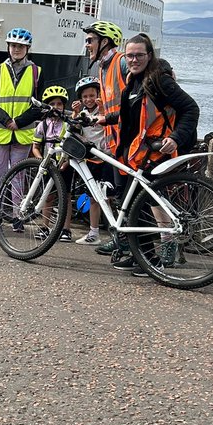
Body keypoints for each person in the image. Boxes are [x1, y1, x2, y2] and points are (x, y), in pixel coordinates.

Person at [101, 33, 200, 275]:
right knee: (134, 206)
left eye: (139, 55)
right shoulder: (132, 81)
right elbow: (129, 116)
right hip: (131, 154)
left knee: (142, 205)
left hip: (152, 153)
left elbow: (190, 108)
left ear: (149, 55)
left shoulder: (159, 82)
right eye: (130, 55)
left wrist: (175, 138)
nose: (134, 60)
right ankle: (141, 256)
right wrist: (105, 118)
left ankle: (152, 258)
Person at [0, 27, 42, 228]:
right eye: (14, 45)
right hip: (0, 130)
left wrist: (20, 121)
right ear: (8, 47)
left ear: (27, 48)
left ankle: (17, 215)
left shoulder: (36, 72)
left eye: (21, 46)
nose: (16, 49)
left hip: (22, 133)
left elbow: (39, 104)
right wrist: (7, 120)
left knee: (19, 175)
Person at [81, 20, 127, 255]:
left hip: (129, 140)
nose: (87, 44)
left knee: (130, 195)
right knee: (120, 195)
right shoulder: (102, 68)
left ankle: (164, 245)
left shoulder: (121, 63)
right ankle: (123, 242)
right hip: (114, 143)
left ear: (104, 42)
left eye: (90, 40)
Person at [32, 85, 74, 242]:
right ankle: (45, 226)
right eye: (52, 104)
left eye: (59, 104)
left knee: (66, 197)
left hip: (65, 165)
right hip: (48, 166)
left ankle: (66, 229)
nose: (56, 107)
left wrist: (66, 161)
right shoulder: (42, 125)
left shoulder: (67, 125)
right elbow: (35, 147)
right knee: (47, 196)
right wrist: (41, 161)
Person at [70, 76, 108, 245]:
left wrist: (101, 109)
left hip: (106, 157)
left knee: (109, 197)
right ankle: (94, 232)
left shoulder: (105, 111)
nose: (89, 99)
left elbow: (108, 124)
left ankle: (115, 231)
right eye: (85, 97)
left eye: (92, 95)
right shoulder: (83, 113)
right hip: (91, 160)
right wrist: (76, 113)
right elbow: (73, 130)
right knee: (93, 197)